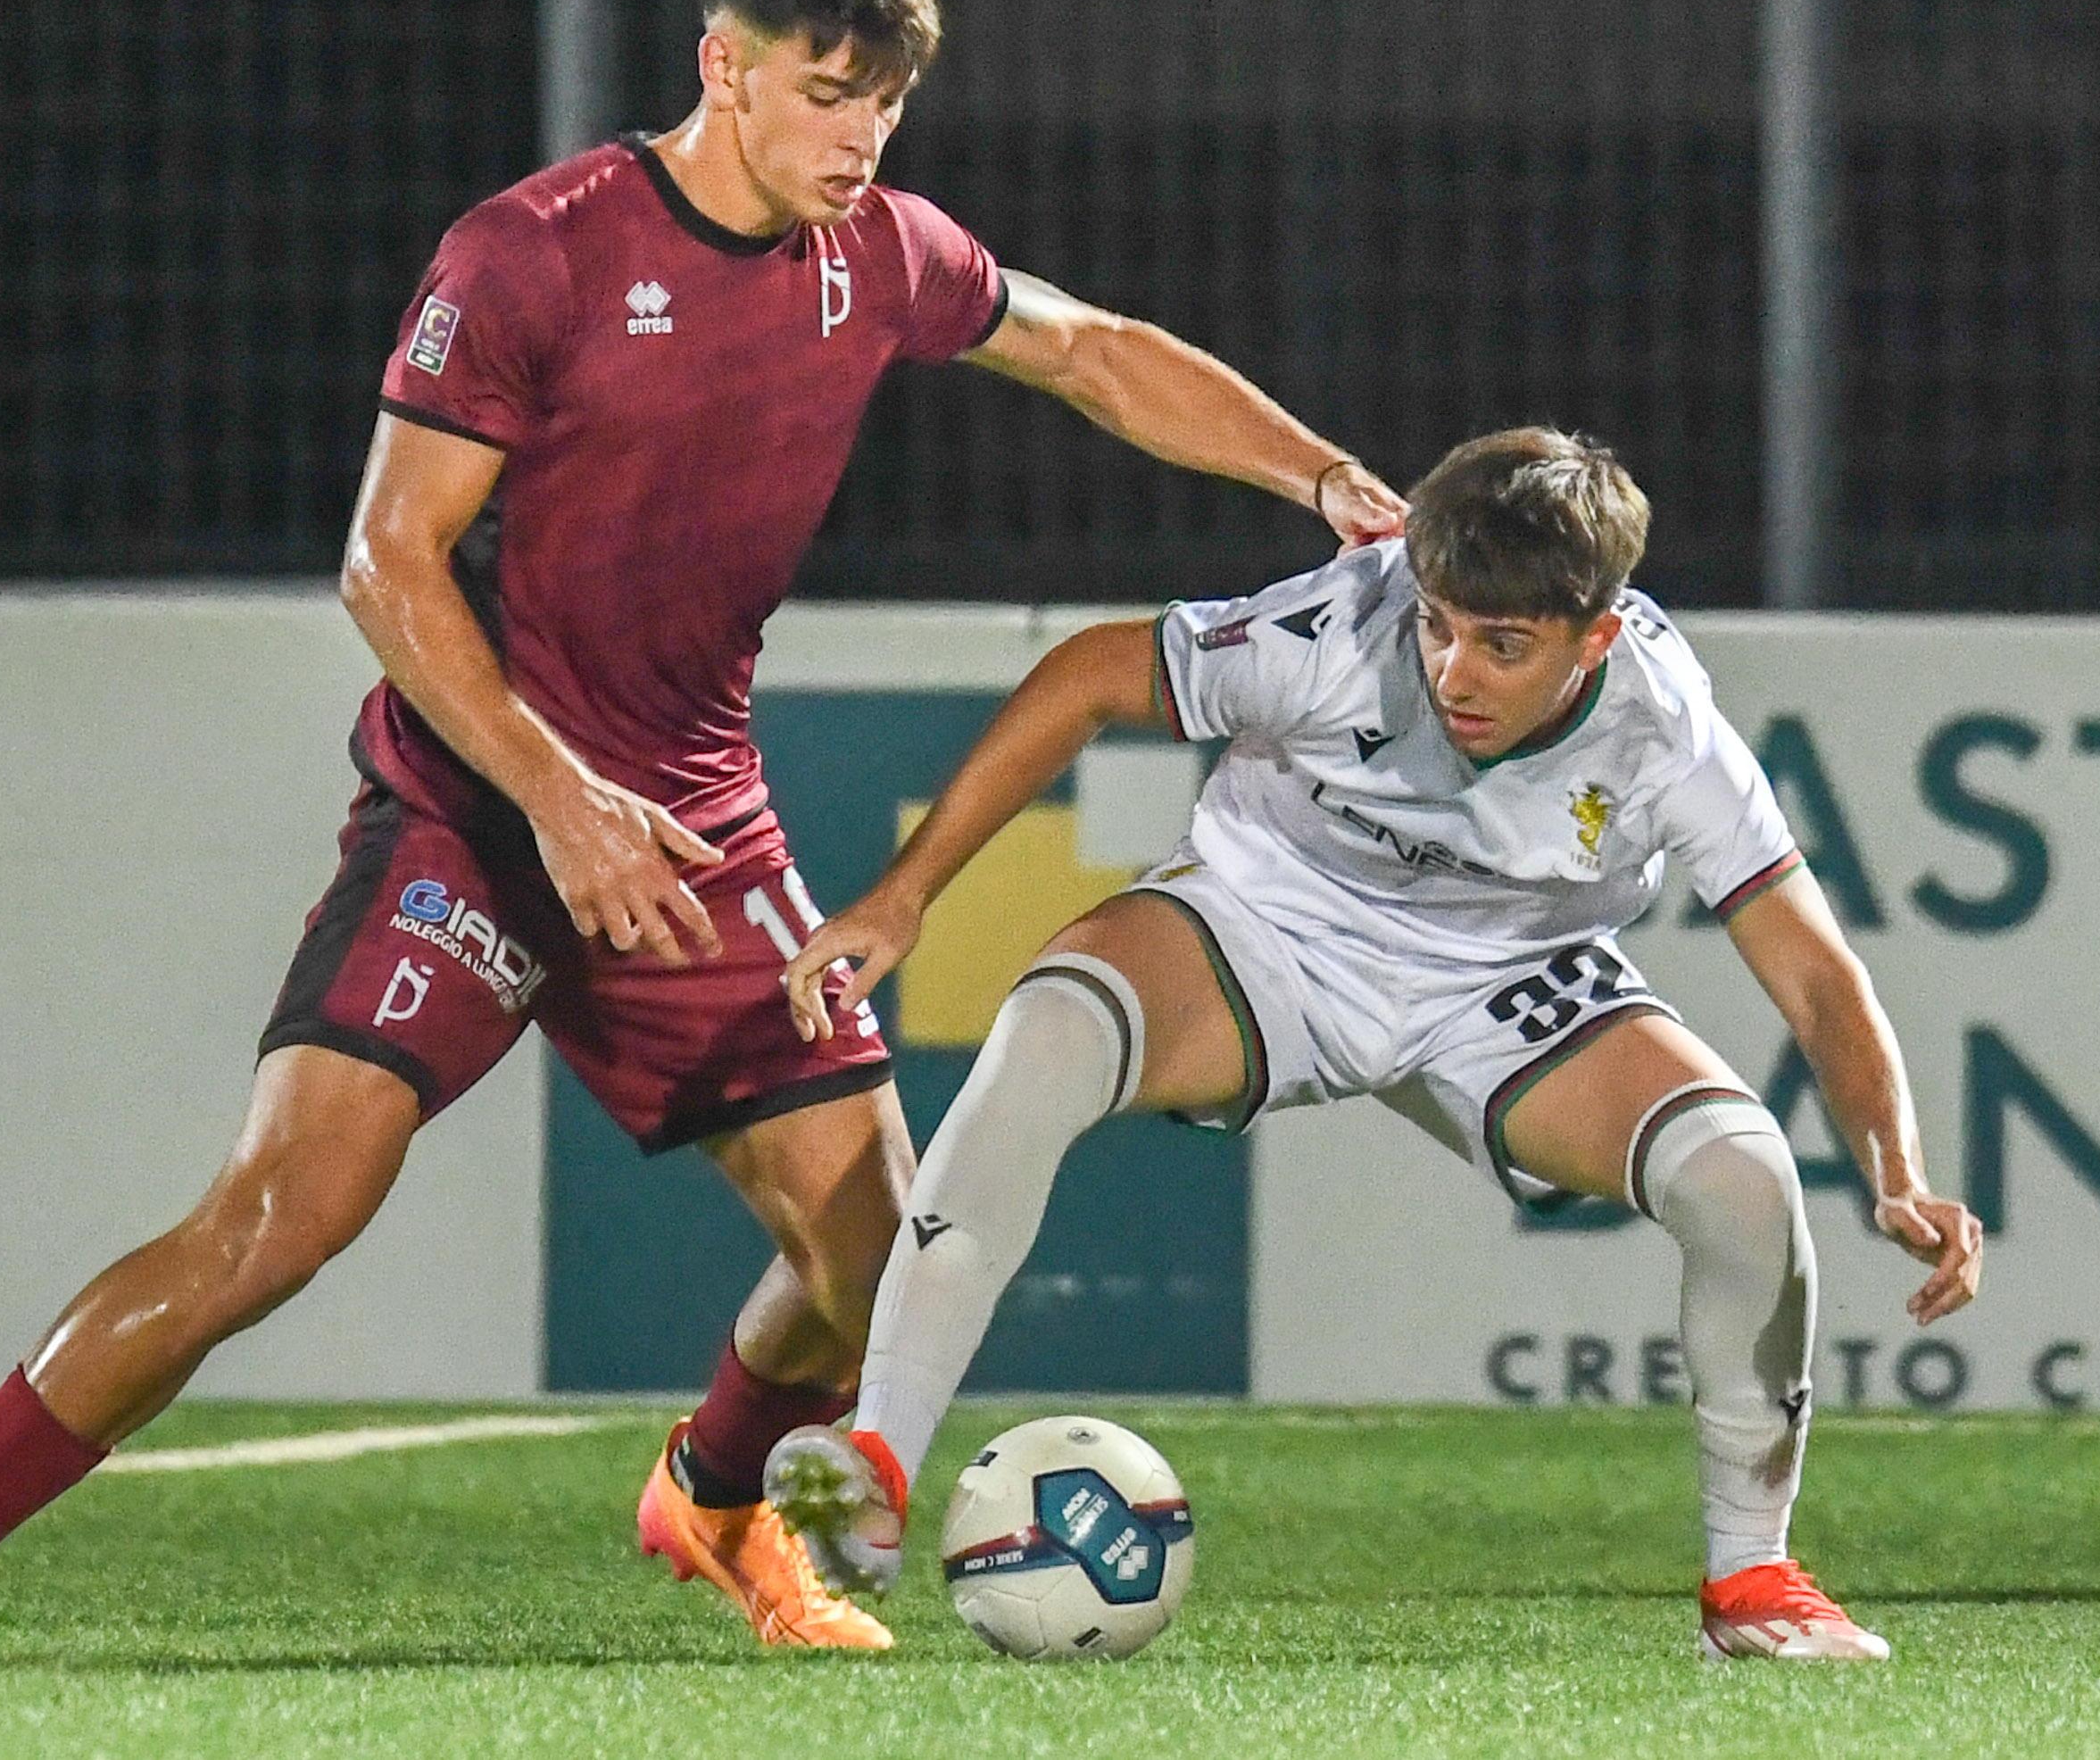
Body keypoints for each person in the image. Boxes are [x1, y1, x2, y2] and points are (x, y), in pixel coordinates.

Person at [0, 0, 1403, 1659]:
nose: (858, 137)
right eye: (822, 91)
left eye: (885, 100)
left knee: (883, 1263)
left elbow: (1091, 354)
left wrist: (1321, 479)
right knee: (278, 1220)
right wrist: (555, 798)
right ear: (722, 64)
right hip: (473, 817)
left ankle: (709, 1496)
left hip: (694, 819)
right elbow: (384, 565)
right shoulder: (531, 254)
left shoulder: (879, 254)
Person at [758, 428, 1984, 1658]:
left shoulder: (1664, 727)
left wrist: (1894, 1170)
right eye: (1440, 624)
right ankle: (877, 1464)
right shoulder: (1339, 628)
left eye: (1505, 647)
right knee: (1052, 1027)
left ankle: (1752, 1584)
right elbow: (1088, 674)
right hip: (1267, 923)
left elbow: (1817, 974)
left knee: (1744, 1176)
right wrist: (907, 892)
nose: (1456, 668)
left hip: (1504, 983)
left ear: (1595, 640)